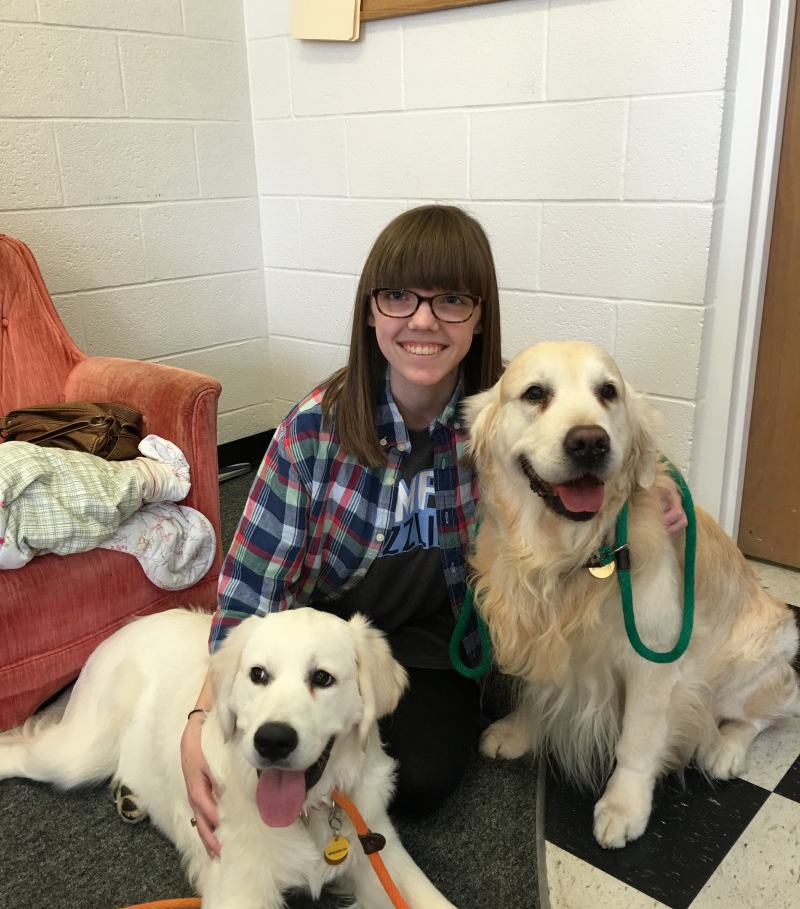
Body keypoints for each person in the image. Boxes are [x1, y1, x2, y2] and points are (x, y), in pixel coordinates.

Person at [178, 204, 686, 858]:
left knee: (419, 780)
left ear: (479, 318)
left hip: (431, 634)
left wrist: (657, 487)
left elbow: (604, 434)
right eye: (397, 297)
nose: (422, 319)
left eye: (450, 299)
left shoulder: (502, 413)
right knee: (265, 756)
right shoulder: (310, 434)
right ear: (369, 312)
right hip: (323, 630)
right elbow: (249, 590)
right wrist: (200, 719)